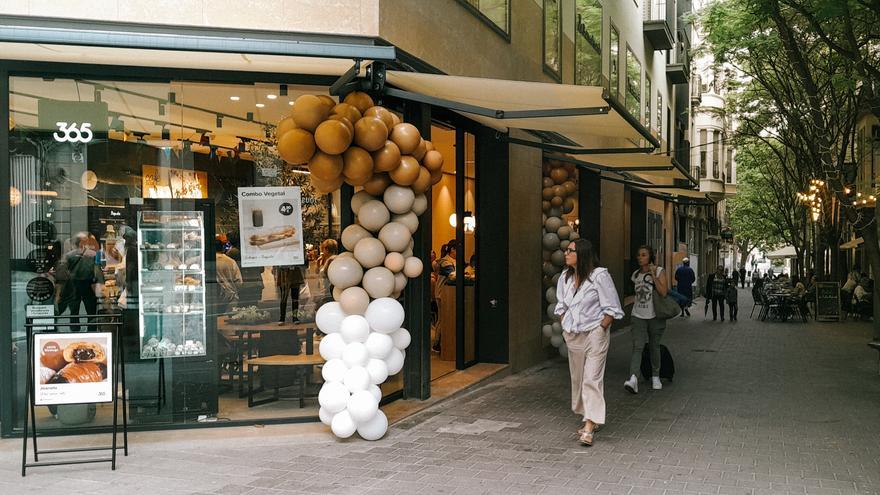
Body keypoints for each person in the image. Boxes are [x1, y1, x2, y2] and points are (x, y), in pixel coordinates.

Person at [554, 239, 623, 446]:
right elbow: (561, 304)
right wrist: (564, 322)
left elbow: (612, 306)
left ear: (582, 254)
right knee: (578, 378)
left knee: (591, 378)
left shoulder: (599, 276)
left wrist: (601, 328)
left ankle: (589, 427)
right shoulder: (564, 278)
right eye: (566, 250)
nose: (566, 253)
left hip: (594, 332)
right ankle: (589, 414)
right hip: (574, 334)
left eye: (570, 250)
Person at [625, 245, 668, 395]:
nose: (640, 257)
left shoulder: (659, 271)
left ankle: (656, 376)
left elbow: (663, 292)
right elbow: (637, 295)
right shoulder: (635, 274)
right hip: (638, 315)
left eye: (643, 255)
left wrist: (653, 274)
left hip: (655, 315)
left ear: (650, 257)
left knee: (654, 346)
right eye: (638, 255)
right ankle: (633, 378)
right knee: (638, 346)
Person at [58, 232, 104, 330]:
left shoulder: (69, 255)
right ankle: (91, 328)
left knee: (74, 308)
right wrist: (101, 283)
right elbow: (97, 270)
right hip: (88, 283)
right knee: (91, 308)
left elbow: (64, 271)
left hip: (74, 284)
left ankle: (75, 328)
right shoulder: (93, 254)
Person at [226, 231, 264, 307]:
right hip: (256, 283)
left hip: (244, 285)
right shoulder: (252, 251)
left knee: (243, 309)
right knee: (253, 309)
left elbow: (230, 271)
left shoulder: (232, 252)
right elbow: (261, 269)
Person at [215, 239, 242, 314]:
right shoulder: (231, 261)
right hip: (231, 297)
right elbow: (239, 281)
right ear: (223, 248)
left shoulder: (205, 260)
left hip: (214, 297)